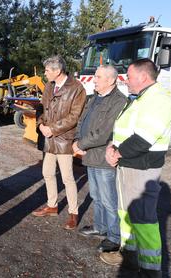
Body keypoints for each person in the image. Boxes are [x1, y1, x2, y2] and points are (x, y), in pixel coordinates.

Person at [102, 58, 171, 278]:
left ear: (143, 77)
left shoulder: (159, 100)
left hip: (141, 168)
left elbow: (143, 138)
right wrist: (111, 147)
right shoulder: (140, 98)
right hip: (128, 164)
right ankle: (130, 258)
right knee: (126, 213)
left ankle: (151, 270)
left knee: (144, 219)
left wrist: (117, 153)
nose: (126, 81)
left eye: (130, 77)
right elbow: (123, 130)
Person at [72, 65, 127, 253]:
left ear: (111, 80)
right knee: (96, 196)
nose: (94, 80)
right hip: (90, 156)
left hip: (104, 158)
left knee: (108, 199)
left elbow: (104, 133)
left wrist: (81, 145)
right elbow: (82, 120)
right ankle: (100, 227)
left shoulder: (119, 101)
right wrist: (78, 140)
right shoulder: (95, 97)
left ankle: (114, 237)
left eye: (98, 77)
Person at [32, 55, 86, 230]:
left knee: (67, 177)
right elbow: (42, 108)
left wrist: (52, 129)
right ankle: (52, 205)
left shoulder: (77, 88)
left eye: (47, 70)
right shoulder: (49, 86)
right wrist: (40, 124)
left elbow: (74, 117)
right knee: (47, 172)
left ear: (57, 71)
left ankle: (73, 213)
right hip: (48, 137)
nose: (45, 73)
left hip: (64, 139)